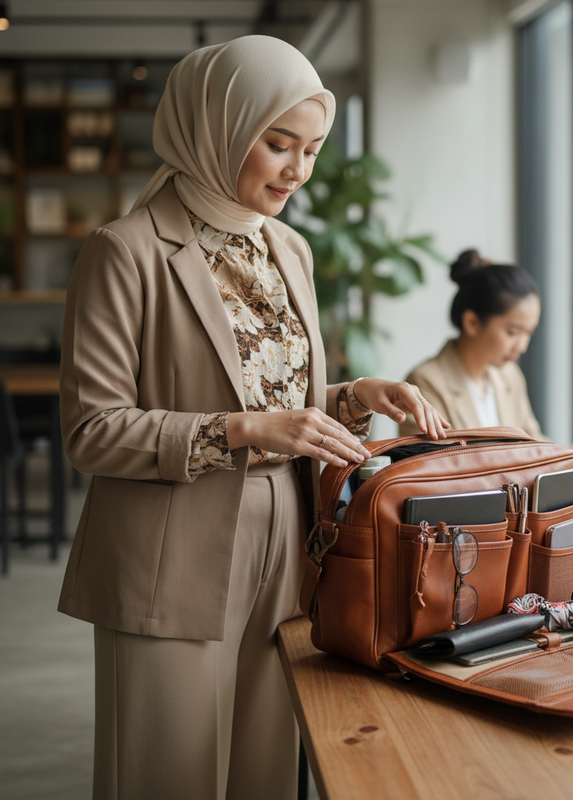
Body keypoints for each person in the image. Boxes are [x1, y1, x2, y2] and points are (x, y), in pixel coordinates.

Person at [57, 36, 448, 800]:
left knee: (265, 768)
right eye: (278, 144)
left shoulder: (288, 248)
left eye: (312, 149)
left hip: (288, 540)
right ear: (217, 126)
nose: (298, 172)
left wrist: (353, 397)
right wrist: (239, 432)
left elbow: (280, 405)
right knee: (166, 770)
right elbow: (92, 430)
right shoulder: (124, 253)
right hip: (170, 549)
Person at [399, 249, 573, 476]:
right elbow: (435, 471)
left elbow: (535, 444)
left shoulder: (509, 375)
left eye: (528, 333)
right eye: (513, 332)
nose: (522, 346)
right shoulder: (424, 382)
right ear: (471, 322)